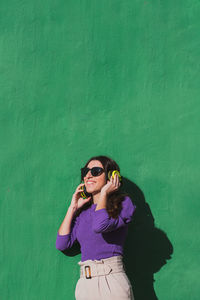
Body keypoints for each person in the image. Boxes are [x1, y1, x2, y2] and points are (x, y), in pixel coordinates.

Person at [55, 155, 136, 300]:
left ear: (111, 176)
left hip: (111, 281)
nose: (88, 176)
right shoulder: (83, 213)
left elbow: (100, 226)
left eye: (96, 171)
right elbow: (62, 244)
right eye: (85, 171)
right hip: (85, 285)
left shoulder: (123, 203)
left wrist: (104, 193)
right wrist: (72, 208)